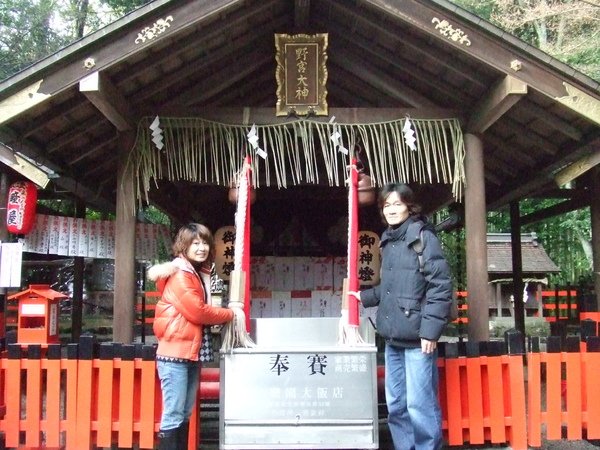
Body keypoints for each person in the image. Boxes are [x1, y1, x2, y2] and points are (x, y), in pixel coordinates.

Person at [349, 183, 452, 450]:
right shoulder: (388, 238)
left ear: (409, 206)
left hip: (418, 338)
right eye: (387, 205)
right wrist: (366, 297)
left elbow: (440, 285)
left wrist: (430, 331)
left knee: (420, 405)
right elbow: (393, 287)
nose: (392, 210)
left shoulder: (422, 237)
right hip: (393, 336)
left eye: (397, 204)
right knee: (396, 405)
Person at [148, 223, 234, 450]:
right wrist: (232, 314)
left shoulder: (195, 273)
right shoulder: (181, 275)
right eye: (195, 243)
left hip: (188, 352)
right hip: (175, 353)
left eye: (205, 242)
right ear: (183, 246)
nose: (202, 248)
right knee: (175, 412)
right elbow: (197, 311)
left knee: (184, 412)